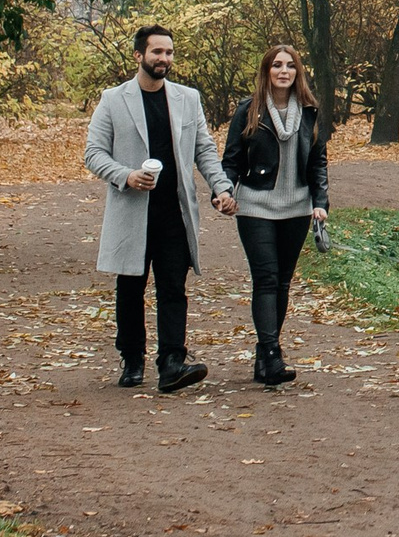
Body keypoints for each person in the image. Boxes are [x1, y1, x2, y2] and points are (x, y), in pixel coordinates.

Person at [84, 26, 234, 392]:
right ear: (139, 56)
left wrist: (221, 187)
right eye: (156, 52)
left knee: (173, 288)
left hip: (174, 213)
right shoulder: (114, 99)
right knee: (130, 288)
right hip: (132, 211)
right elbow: (93, 153)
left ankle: (171, 362)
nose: (164, 59)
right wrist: (126, 175)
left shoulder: (187, 99)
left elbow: (204, 150)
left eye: (168, 53)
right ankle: (132, 360)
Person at [223, 44, 330, 387]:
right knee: (266, 279)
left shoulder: (310, 111)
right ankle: (272, 354)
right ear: (266, 71)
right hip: (255, 206)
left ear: (297, 73)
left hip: (297, 208)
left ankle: (264, 355)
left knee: (282, 281)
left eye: (290, 66)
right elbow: (231, 160)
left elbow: (318, 163)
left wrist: (320, 201)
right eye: (277, 66)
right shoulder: (249, 110)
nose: (283, 71)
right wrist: (223, 191)